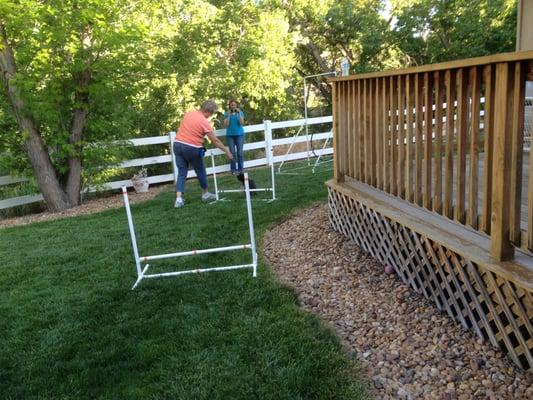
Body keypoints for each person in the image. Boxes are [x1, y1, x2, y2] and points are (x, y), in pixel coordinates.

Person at [173, 100, 232, 208]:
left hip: (177, 145)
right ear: (208, 111)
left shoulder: (189, 114)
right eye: (212, 113)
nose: (211, 116)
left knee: (181, 172)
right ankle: (205, 194)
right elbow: (215, 141)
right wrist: (227, 151)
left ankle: (179, 199)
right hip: (192, 148)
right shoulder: (204, 122)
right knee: (200, 170)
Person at [223, 99, 245, 175]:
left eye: (234, 105)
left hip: (239, 135)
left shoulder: (240, 112)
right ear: (230, 106)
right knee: (232, 153)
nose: (233, 106)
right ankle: (233, 170)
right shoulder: (226, 113)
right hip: (230, 136)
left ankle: (241, 169)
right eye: (232, 105)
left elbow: (241, 123)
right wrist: (228, 115)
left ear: (236, 106)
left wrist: (238, 114)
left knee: (240, 153)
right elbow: (226, 125)